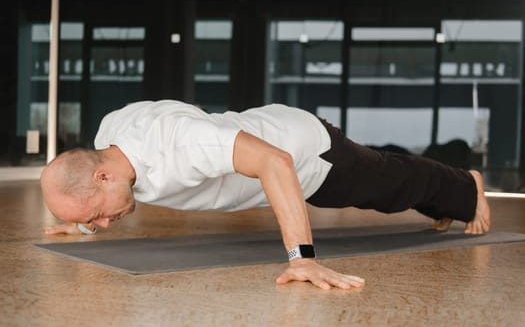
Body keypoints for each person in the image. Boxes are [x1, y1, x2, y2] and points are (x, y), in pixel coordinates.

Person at [41, 100, 491, 290]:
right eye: (93, 220)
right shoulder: (107, 139)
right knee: (391, 185)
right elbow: (87, 190)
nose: (101, 224)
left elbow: (276, 163)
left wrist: (302, 258)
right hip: (266, 130)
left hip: (306, 151)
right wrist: (78, 220)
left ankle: (467, 186)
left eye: (98, 215)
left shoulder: (179, 144)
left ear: (102, 178)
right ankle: (446, 199)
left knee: (390, 185)